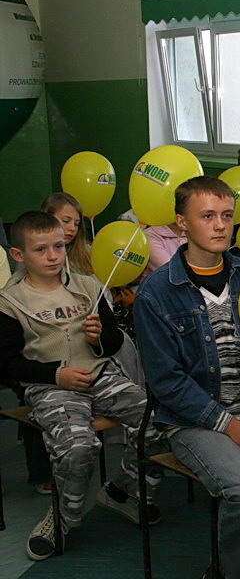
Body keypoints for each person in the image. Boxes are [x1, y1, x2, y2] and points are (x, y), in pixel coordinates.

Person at [134, 176, 240, 579]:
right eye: (207, 216)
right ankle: (228, 570)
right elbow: (166, 382)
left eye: (227, 216)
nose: (221, 225)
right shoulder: (156, 293)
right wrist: (230, 426)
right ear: (180, 224)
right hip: (194, 421)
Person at [0, 211, 164, 561]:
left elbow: (112, 340)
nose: (53, 256)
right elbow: (6, 364)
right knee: (78, 448)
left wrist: (98, 338)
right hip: (50, 387)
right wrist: (56, 376)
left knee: (158, 420)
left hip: (100, 377)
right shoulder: (10, 301)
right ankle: (62, 518)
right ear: (18, 255)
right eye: (41, 250)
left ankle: (122, 491)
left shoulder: (88, 286)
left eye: (59, 246)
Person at [40, 192, 93, 276]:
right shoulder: (32, 252)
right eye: (66, 221)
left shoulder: (86, 252)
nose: (72, 228)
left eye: (77, 224)